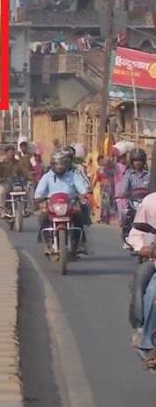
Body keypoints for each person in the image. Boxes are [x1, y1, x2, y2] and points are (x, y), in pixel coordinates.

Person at [124, 193, 156, 367]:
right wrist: (141, 247)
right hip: (154, 261)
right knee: (152, 292)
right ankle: (149, 343)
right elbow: (136, 232)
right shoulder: (150, 201)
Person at [34, 151, 90, 251]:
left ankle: (80, 242)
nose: (59, 167)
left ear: (66, 164)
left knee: (79, 218)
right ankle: (46, 243)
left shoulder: (73, 176)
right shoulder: (47, 177)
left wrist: (82, 195)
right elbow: (39, 192)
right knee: (43, 218)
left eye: (62, 164)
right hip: (52, 206)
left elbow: (83, 189)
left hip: (70, 204)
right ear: (52, 164)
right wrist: (39, 198)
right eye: (56, 164)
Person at [117, 148, 150, 224]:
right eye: (135, 160)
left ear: (144, 161)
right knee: (125, 216)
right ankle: (126, 232)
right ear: (132, 162)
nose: (137, 163)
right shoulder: (128, 174)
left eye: (140, 160)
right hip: (132, 204)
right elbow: (123, 188)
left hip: (146, 204)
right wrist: (123, 194)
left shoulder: (148, 175)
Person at [0, 145, 29, 217]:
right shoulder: (2, 164)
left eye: (13, 151)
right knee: (1, 191)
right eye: (9, 152)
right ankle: (3, 209)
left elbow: (26, 172)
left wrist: (30, 178)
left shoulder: (18, 163)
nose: (11, 153)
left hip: (17, 184)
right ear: (6, 153)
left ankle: (27, 208)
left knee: (28, 189)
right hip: (5, 184)